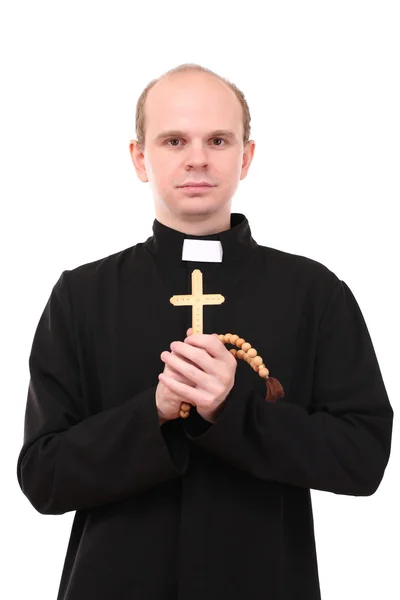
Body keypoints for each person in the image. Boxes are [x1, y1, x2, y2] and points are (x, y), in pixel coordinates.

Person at [16, 63, 394, 600]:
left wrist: (232, 410)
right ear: (140, 158)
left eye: (218, 139)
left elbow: (363, 460)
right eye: (174, 140)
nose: (198, 158)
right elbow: (43, 476)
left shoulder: (315, 293)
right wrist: (155, 410)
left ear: (247, 156)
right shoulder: (81, 296)